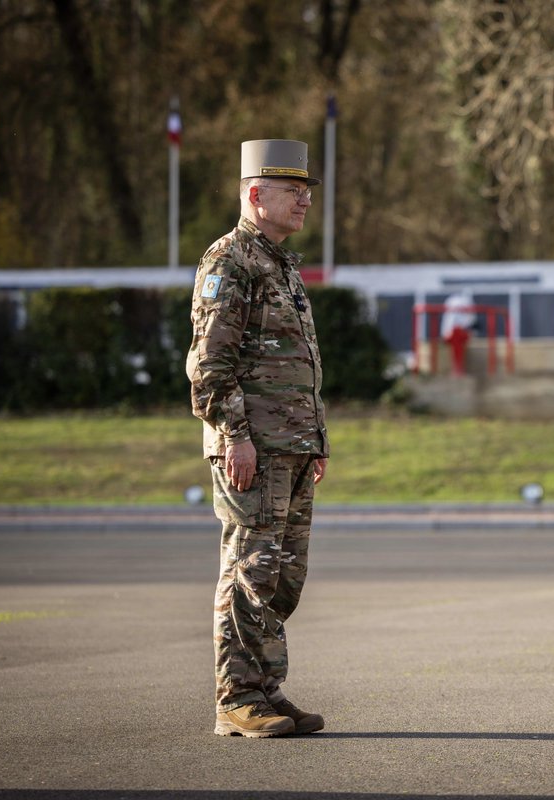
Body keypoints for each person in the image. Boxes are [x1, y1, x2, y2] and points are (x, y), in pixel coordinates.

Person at [186, 139, 329, 738]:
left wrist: (314, 437)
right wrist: (235, 436)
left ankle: (266, 690)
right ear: (254, 194)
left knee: (280, 575)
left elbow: (297, 362)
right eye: (291, 191)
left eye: (306, 192)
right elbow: (209, 366)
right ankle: (236, 699)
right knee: (249, 568)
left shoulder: (280, 264)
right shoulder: (230, 263)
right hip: (253, 449)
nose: (304, 200)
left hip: (291, 447)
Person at [440, 290, 477, 376]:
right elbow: (469, 321)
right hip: (454, 335)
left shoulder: (455, 302)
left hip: (456, 334)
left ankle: (458, 369)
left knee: (457, 335)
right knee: (457, 334)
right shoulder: (461, 303)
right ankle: (457, 369)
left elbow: (469, 322)